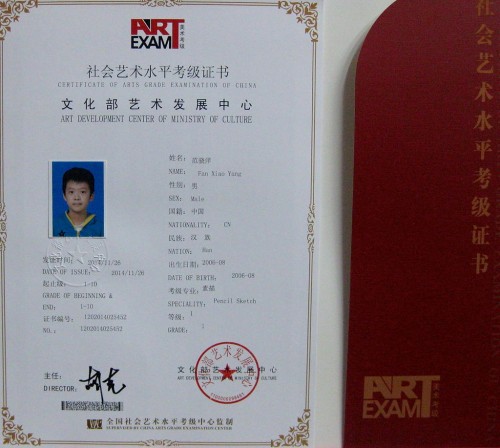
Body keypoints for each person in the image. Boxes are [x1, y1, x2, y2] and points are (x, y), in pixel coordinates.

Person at [53, 167, 104, 237]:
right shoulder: (54, 226)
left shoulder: (101, 228)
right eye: (71, 192)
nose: (76, 198)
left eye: (82, 192)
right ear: (64, 196)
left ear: (91, 196)